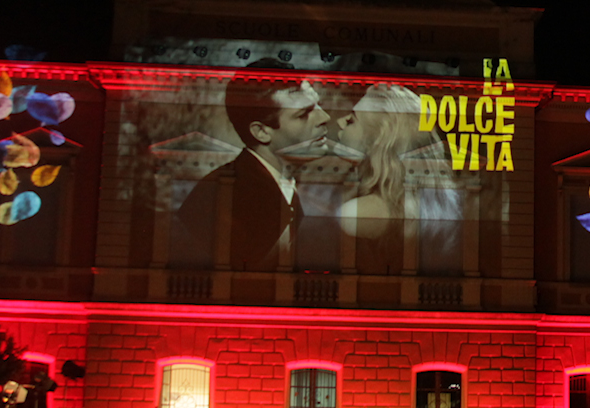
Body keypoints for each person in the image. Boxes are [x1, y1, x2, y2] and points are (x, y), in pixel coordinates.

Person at [178, 81, 330, 269]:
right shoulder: (221, 197)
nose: (325, 117)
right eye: (303, 114)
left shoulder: (285, 185)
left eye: (319, 106)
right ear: (261, 132)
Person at [331, 82, 461, 274]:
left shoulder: (355, 213)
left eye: (352, 120)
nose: (340, 122)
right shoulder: (443, 206)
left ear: (377, 142)